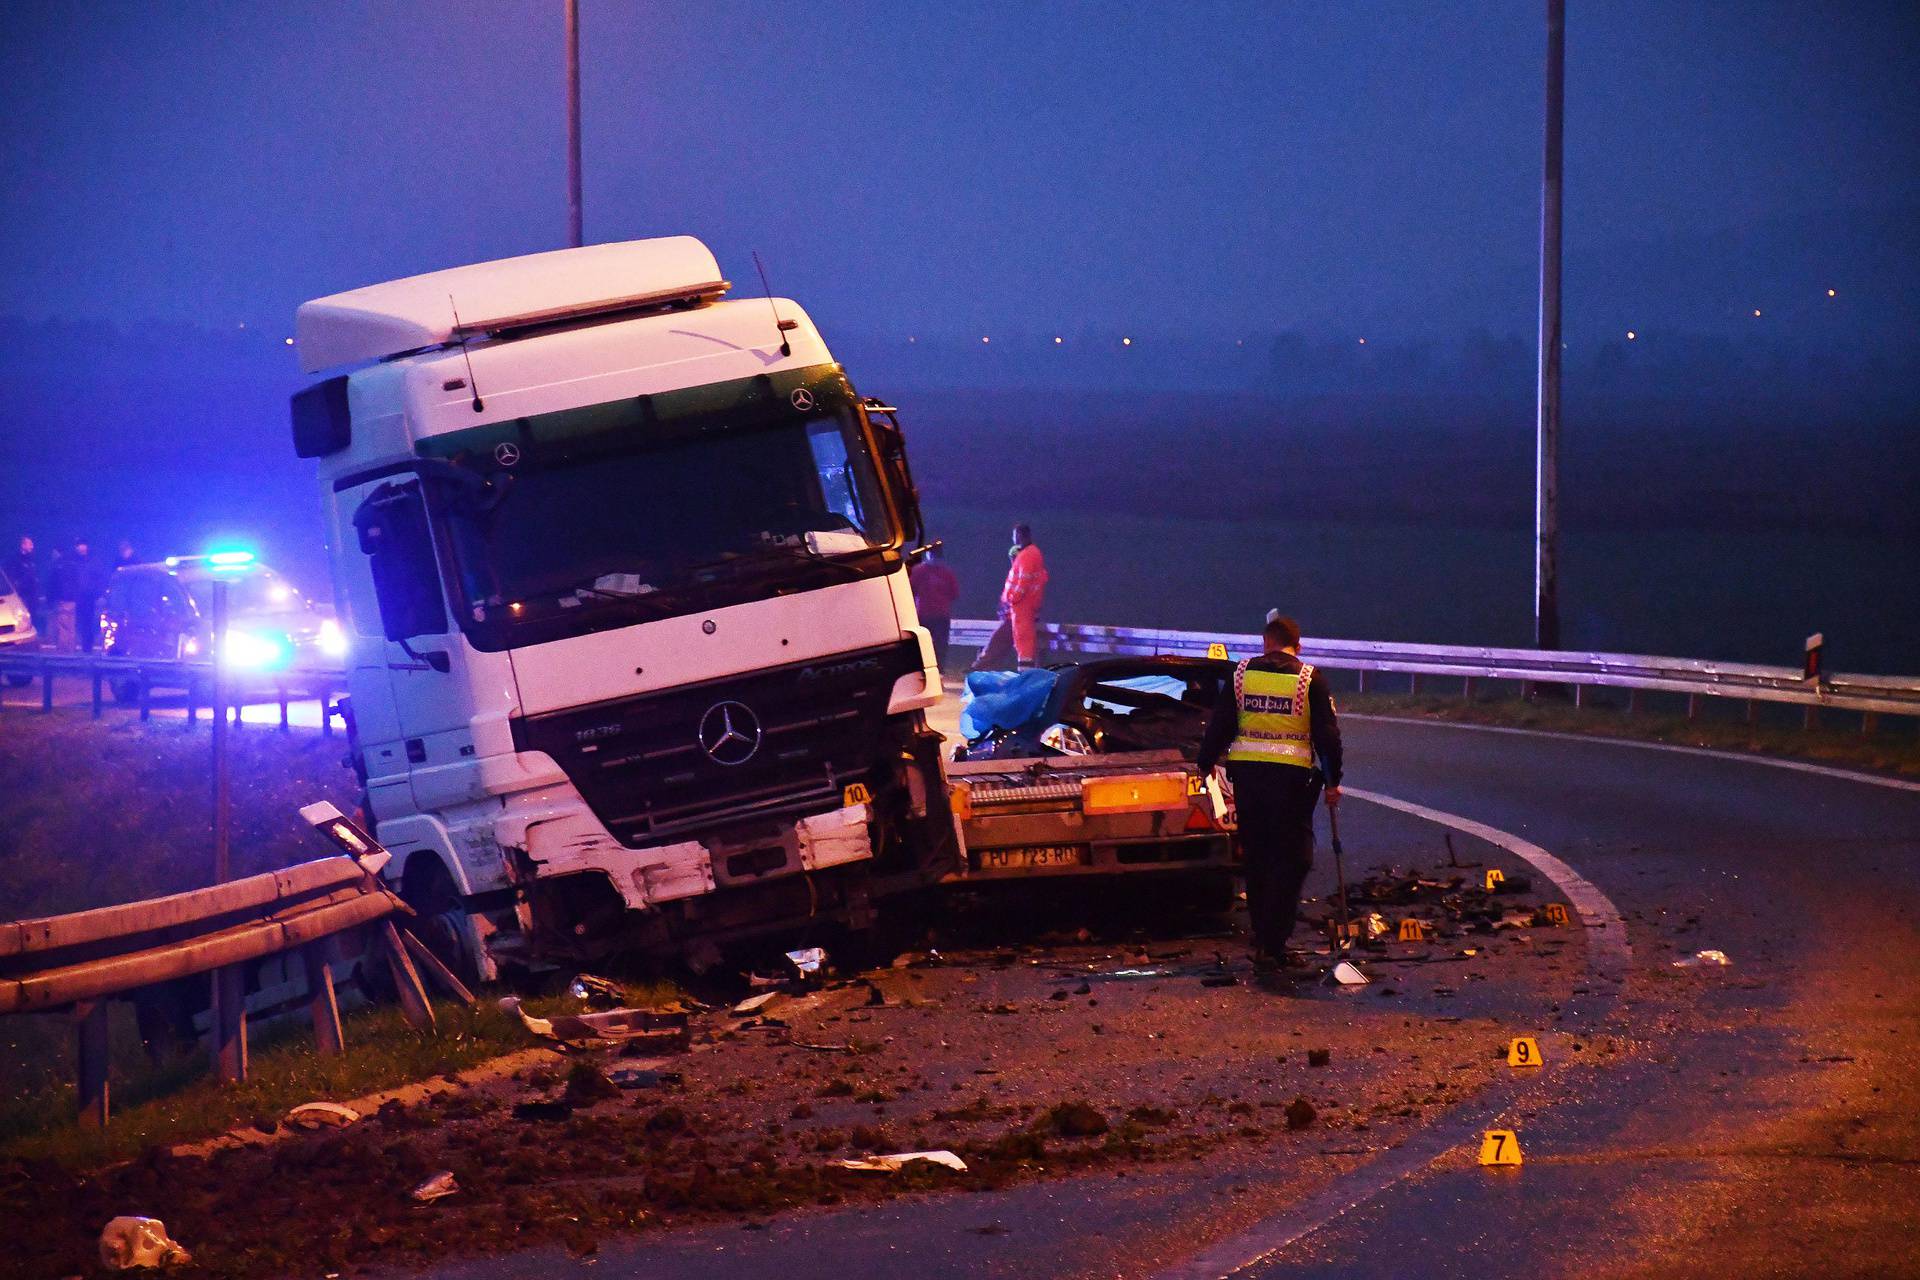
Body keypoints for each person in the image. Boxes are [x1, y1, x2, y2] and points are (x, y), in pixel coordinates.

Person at [1196, 613, 1343, 970]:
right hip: (1293, 783)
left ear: (1266, 642)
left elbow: (1221, 724)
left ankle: (1264, 939)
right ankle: (1275, 941)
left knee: (1258, 859)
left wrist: (1203, 764)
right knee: (1294, 859)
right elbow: (1328, 736)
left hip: (1248, 780)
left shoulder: (1242, 675)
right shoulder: (1310, 679)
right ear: (1298, 645)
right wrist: (1333, 780)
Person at [971, 524, 1049, 670]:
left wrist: (1011, 600)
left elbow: (1022, 583)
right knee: (1018, 643)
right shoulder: (1030, 554)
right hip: (1019, 609)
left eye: (1014, 535)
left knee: (1023, 643)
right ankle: (982, 667)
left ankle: (1021, 674)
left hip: (1021, 608)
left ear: (1019, 535)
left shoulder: (1027, 555)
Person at [908, 544, 960, 672]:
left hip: (927, 615)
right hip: (937, 615)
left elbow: (910, 591)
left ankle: (926, 671)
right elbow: (954, 594)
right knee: (938, 645)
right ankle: (936, 671)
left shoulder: (918, 571)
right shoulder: (946, 573)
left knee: (924, 645)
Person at [6, 536, 43, 637]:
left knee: (33, 617)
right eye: (29, 544)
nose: (32, 546)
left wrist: (38, 592)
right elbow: (13, 577)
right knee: (23, 620)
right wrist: (19, 587)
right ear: (23, 545)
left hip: (32, 595)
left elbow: (35, 577)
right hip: (23, 595)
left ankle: (33, 640)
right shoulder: (16, 560)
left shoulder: (32, 560)